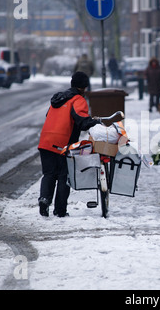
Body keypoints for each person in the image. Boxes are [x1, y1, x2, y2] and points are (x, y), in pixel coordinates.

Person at [37, 72, 101, 217]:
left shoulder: (58, 99)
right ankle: (60, 211)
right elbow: (82, 120)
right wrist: (96, 122)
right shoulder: (77, 100)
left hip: (45, 141)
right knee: (63, 176)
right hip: (62, 144)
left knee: (48, 174)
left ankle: (44, 199)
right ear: (84, 87)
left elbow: (50, 117)